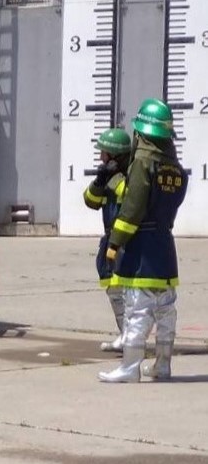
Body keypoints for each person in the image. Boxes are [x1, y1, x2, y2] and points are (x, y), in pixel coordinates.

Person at [99, 99, 188, 383]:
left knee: (137, 310)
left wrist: (115, 242)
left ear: (142, 133)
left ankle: (129, 368)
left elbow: (133, 207)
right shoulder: (175, 167)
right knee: (165, 310)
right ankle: (162, 365)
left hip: (142, 250)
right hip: (165, 247)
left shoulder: (142, 163)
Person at [83, 127, 132, 352]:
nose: (101, 157)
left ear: (115, 157)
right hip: (109, 240)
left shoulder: (129, 178)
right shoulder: (108, 178)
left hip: (123, 242)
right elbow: (90, 201)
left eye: (104, 153)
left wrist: (115, 180)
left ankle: (131, 338)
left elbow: (131, 200)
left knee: (125, 292)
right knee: (112, 289)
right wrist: (99, 180)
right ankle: (125, 335)